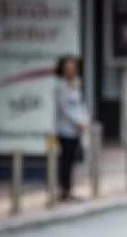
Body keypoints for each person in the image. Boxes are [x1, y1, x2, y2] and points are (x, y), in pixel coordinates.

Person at [54, 55, 90, 202]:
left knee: (72, 161)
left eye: (73, 68)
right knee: (65, 160)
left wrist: (85, 120)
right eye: (68, 68)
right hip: (65, 129)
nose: (71, 71)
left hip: (76, 130)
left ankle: (69, 189)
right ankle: (64, 190)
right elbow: (65, 108)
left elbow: (80, 104)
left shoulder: (76, 84)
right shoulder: (60, 86)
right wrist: (78, 122)